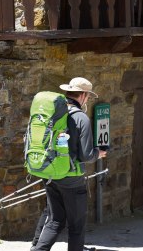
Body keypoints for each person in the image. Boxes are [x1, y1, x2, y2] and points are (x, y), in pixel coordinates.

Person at [33, 77, 107, 251]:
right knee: (76, 226)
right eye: (88, 96)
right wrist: (99, 153)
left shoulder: (54, 112)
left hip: (50, 173)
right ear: (82, 95)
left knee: (55, 219)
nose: (87, 99)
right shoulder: (81, 118)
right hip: (71, 178)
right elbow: (87, 155)